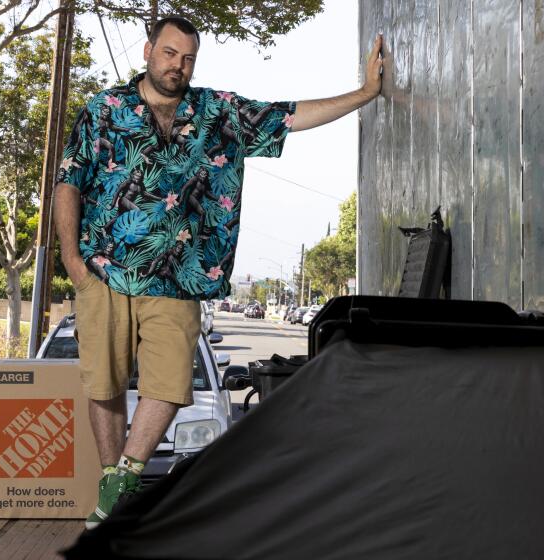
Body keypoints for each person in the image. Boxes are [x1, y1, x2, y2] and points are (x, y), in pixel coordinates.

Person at [53, 16, 384, 529]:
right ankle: (111, 487)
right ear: (147, 51)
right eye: (168, 54)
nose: (177, 66)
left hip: (181, 276)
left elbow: (290, 116)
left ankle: (123, 478)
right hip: (105, 269)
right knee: (104, 384)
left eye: (187, 58)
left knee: (167, 382)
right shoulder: (105, 110)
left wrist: (364, 92)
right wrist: (73, 262)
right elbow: (69, 182)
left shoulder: (217, 113)